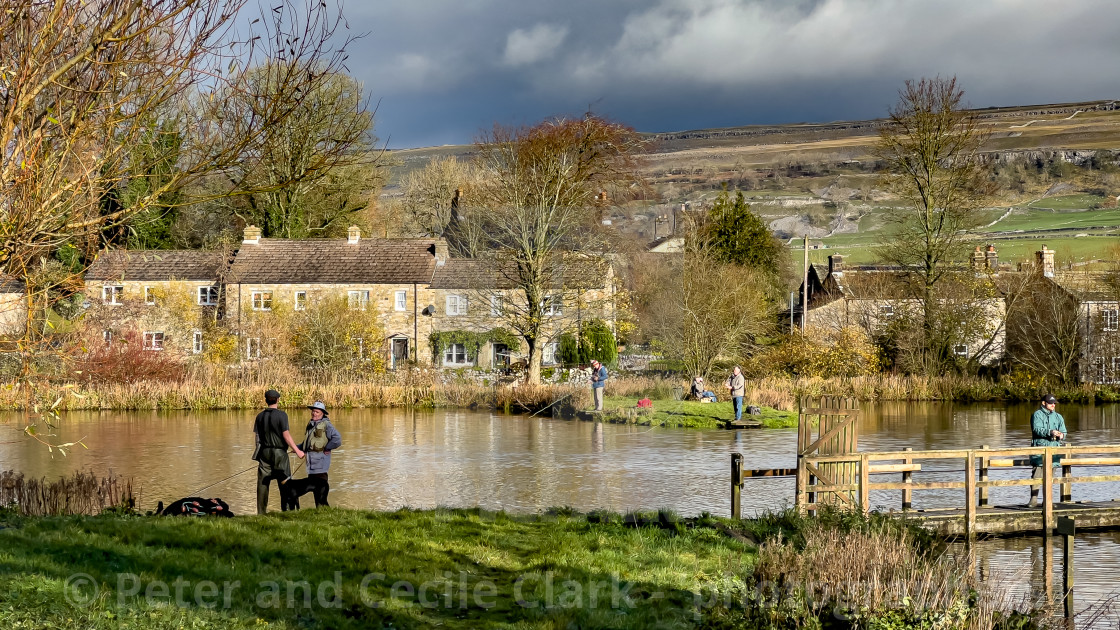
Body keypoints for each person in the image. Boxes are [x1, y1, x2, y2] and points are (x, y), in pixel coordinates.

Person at [253, 389, 304, 515]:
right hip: (280, 453)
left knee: (263, 484)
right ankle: (286, 511)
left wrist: (259, 454)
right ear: (277, 400)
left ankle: (261, 513)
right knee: (285, 483)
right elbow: (286, 435)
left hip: (264, 453)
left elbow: (257, 437)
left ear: (266, 400)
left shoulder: (259, 416)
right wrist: (297, 451)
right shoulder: (282, 415)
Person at [1026, 393, 1067, 508]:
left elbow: (1064, 431)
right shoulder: (1037, 415)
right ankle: (1033, 500)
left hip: (1054, 451)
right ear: (1044, 403)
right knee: (1037, 476)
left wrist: (1061, 435)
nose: (1053, 405)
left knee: (1050, 477)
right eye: (1050, 403)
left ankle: (1047, 501)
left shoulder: (1058, 416)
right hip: (1039, 450)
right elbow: (1037, 429)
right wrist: (1050, 432)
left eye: (1054, 403)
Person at [302, 401, 342, 507]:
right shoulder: (311, 425)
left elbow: (337, 439)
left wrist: (327, 447)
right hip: (311, 465)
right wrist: (296, 448)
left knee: (321, 494)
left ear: (322, 414)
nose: (314, 414)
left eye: (317, 412)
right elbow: (306, 444)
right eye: (313, 411)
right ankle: (321, 513)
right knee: (316, 493)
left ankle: (326, 513)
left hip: (320, 465)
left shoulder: (327, 425)